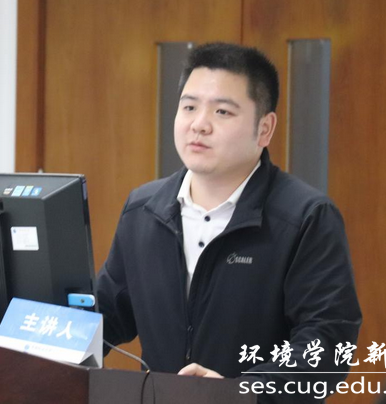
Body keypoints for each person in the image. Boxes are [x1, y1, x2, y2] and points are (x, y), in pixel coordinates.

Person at [97, 42, 362, 403]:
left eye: (222, 111)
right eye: (189, 107)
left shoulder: (306, 218)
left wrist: (239, 393)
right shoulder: (144, 210)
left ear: (264, 129)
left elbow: (327, 345)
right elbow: (107, 315)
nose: (199, 124)